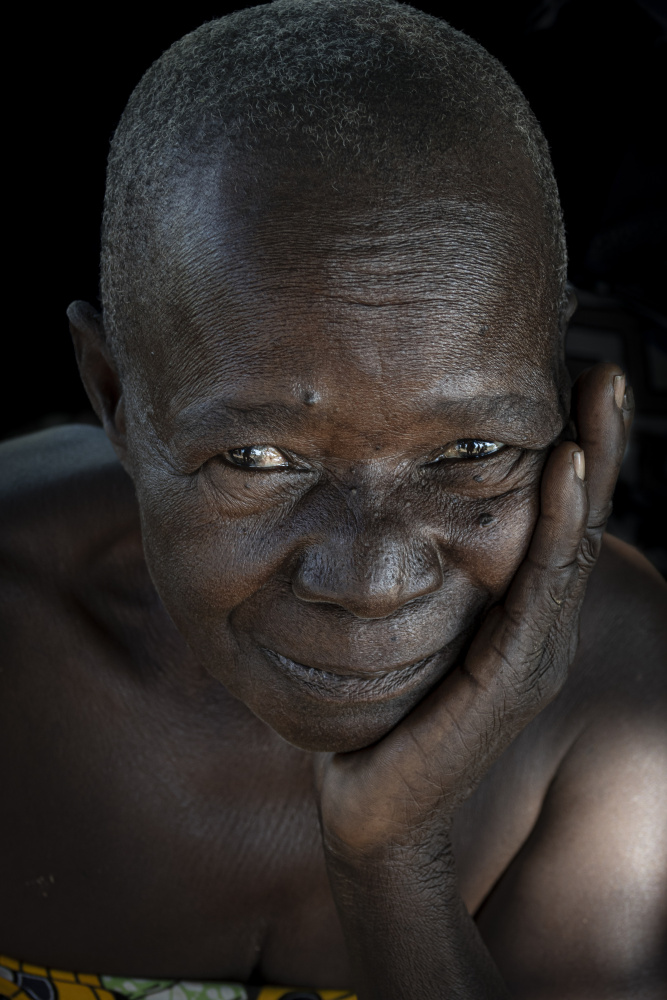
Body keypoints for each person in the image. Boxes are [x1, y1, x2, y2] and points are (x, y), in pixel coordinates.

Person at [1, 1, 665, 997]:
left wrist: (394, 863)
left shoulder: (611, 690)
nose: (370, 580)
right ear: (116, 398)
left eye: (473, 448)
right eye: (260, 457)